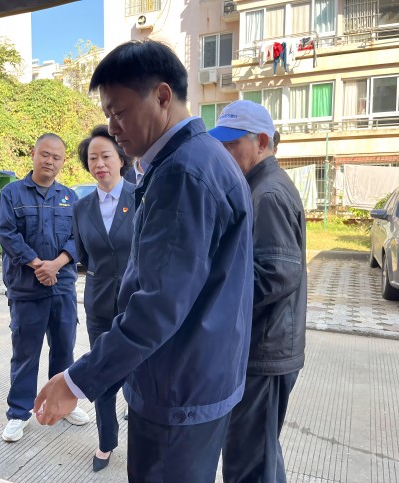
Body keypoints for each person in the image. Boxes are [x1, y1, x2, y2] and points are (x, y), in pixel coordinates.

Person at [33, 40, 254, 482]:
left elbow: (157, 305)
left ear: (163, 96)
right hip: (201, 376)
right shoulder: (203, 158)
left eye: (120, 112)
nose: (113, 128)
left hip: (177, 386)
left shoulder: (182, 173)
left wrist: (76, 381)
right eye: (107, 114)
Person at [209, 100, 306, 483]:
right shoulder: (256, 187)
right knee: (259, 455)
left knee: (248, 463)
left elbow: (276, 274)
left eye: (232, 144)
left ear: (262, 142)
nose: (224, 152)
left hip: (265, 350)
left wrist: (214, 298)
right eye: (221, 144)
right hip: (264, 346)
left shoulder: (267, 194)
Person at [0, 133, 90, 444]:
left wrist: (56, 265)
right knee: (26, 353)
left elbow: (78, 237)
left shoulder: (70, 198)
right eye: (45, 154)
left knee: (64, 349)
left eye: (56, 157)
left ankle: (61, 406)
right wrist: (39, 265)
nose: (49, 161)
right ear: (34, 154)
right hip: (26, 289)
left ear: (63, 162)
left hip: (61, 288)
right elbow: (8, 235)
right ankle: (19, 413)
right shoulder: (12, 194)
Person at [73, 125, 135, 472]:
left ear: (121, 159)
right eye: (92, 158)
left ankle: (141, 433)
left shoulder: (141, 198)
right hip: (98, 305)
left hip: (136, 304)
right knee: (102, 372)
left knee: (140, 373)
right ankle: (106, 441)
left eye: (106, 156)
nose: (99, 164)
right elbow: (83, 257)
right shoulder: (81, 207)